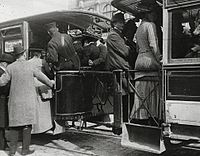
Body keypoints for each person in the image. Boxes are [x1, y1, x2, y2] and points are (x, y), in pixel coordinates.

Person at [0, 45, 54, 156]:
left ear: (15, 56)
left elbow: (2, 82)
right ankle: (25, 150)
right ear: (24, 54)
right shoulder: (30, 66)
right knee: (27, 125)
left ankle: (12, 151)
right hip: (28, 100)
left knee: (14, 125)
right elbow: (42, 77)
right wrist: (50, 84)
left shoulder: (11, 67)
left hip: (14, 101)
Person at [130, 7, 162, 125]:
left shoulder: (139, 28)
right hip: (150, 60)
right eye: (154, 13)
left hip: (139, 60)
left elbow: (138, 48)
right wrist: (159, 58)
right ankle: (153, 116)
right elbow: (153, 45)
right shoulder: (150, 25)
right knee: (155, 88)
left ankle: (140, 115)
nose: (156, 16)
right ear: (148, 13)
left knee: (142, 89)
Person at [28, 47, 53, 134]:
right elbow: (49, 73)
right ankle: (43, 127)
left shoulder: (28, 62)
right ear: (39, 53)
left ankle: (34, 129)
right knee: (43, 107)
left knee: (35, 107)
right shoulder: (43, 61)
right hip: (41, 83)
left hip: (32, 84)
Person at [0, 53, 15, 150]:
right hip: (1, 99)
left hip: (2, 99)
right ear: (5, 64)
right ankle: (2, 144)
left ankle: (3, 143)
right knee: (1, 123)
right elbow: (4, 87)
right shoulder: (2, 72)